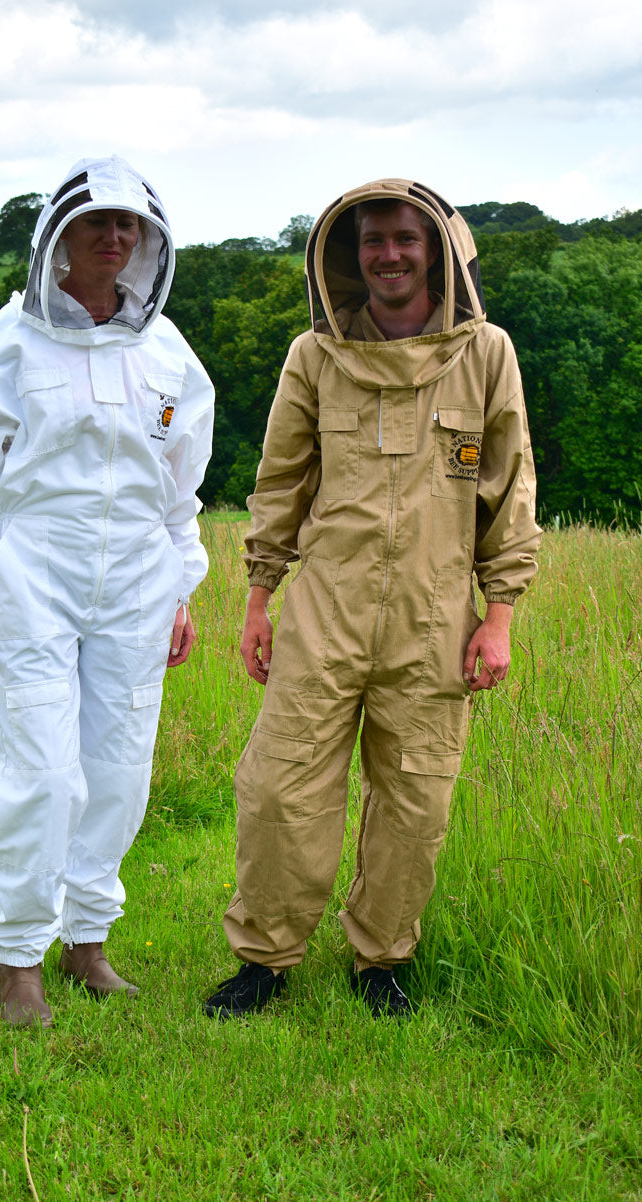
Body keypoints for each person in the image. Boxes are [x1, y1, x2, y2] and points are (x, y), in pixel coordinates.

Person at [203, 178, 541, 1020]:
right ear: (348, 259)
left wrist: (499, 617)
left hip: (434, 615)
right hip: (325, 608)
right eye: (372, 243)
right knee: (281, 787)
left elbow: (509, 488)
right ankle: (264, 961)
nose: (389, 255)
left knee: (417, 796)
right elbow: (280, 482)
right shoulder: (313, 357)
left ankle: (380, 962)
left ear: (439, 250)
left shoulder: (486, 352)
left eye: (405, 239)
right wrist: (258, 597)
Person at [0, 156, 214, 1028]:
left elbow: (180, 486)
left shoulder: (166, 352)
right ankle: (18, 956)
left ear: (148, 246)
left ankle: (87, 942)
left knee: (120, 767)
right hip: (32, 570)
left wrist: (181, 587)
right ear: (59, 240)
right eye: (99, 225)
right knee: (41, 772)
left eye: (130, 228)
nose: (116, 239)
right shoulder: (14, 341)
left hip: (137, 575)